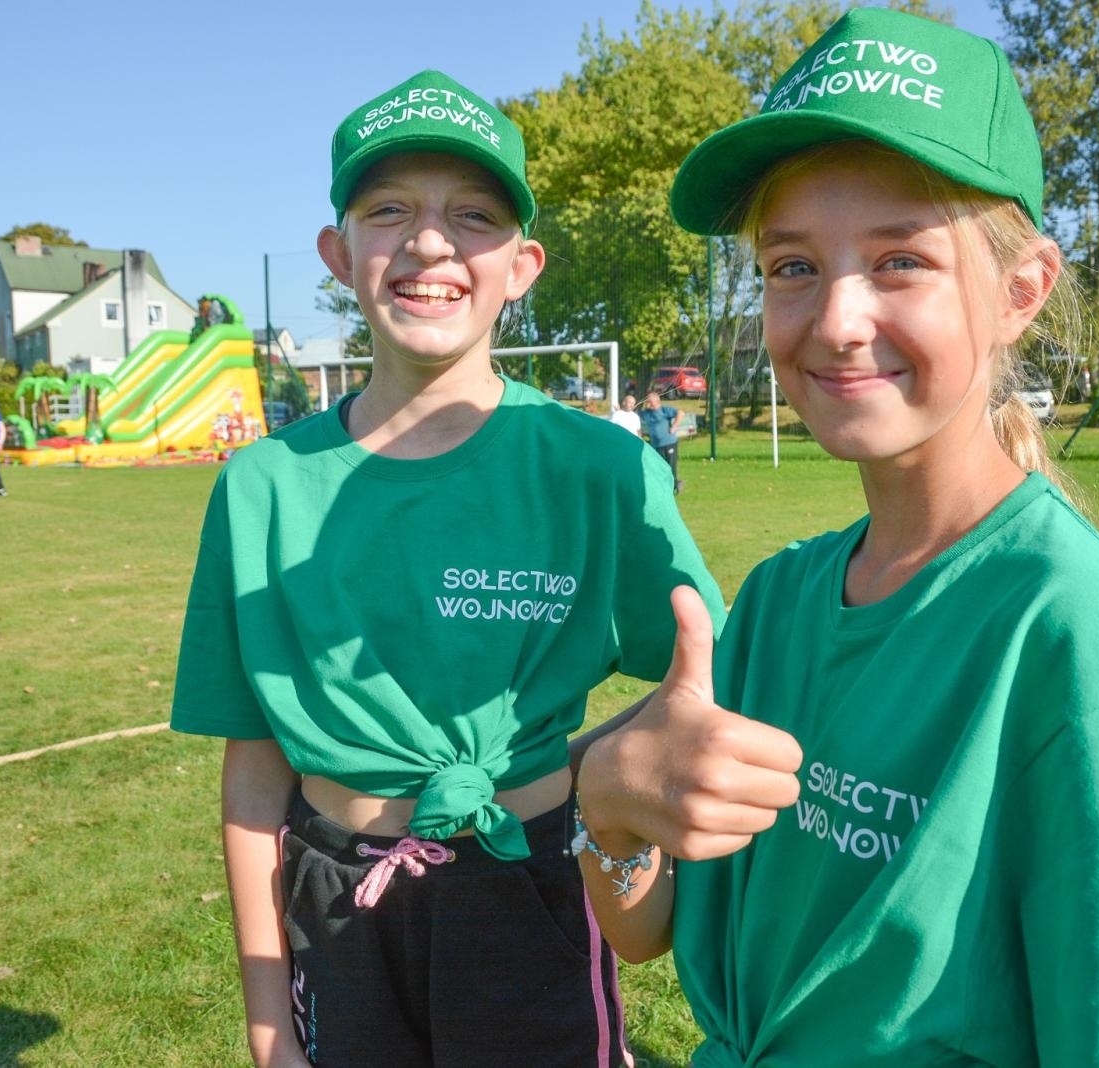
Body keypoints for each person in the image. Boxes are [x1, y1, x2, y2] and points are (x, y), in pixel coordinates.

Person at [573, 10, 1099, 1066]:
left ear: (1020, 292)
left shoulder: (1074, 630)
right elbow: (650, 932)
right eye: (791, 266)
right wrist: (608, 808)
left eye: (899, 261)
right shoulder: (781, 599)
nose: (835, 318)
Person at [170, 69, 723, 1068]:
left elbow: (697, 678)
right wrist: (266, 1020)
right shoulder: (259, 487)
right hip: (336, 900)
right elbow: (254, 777)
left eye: (473, 216)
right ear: (339, 254)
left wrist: (592, 774)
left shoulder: (603, 470)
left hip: (533, 887)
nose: (430, 243)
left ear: (522, 265)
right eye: (390, 211)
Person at [638, 390, 683, 493]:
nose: (648, 403)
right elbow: (632, 414)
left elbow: (680, 413)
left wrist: (674, 426)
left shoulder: (664, 410)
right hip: (656, 445)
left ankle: (674, 485)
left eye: (650, 401)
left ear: (657, 401)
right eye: (647, 401)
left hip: (669, 443)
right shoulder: (646, 413)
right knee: (659, 466)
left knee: (671, 465)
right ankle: (664, 486)